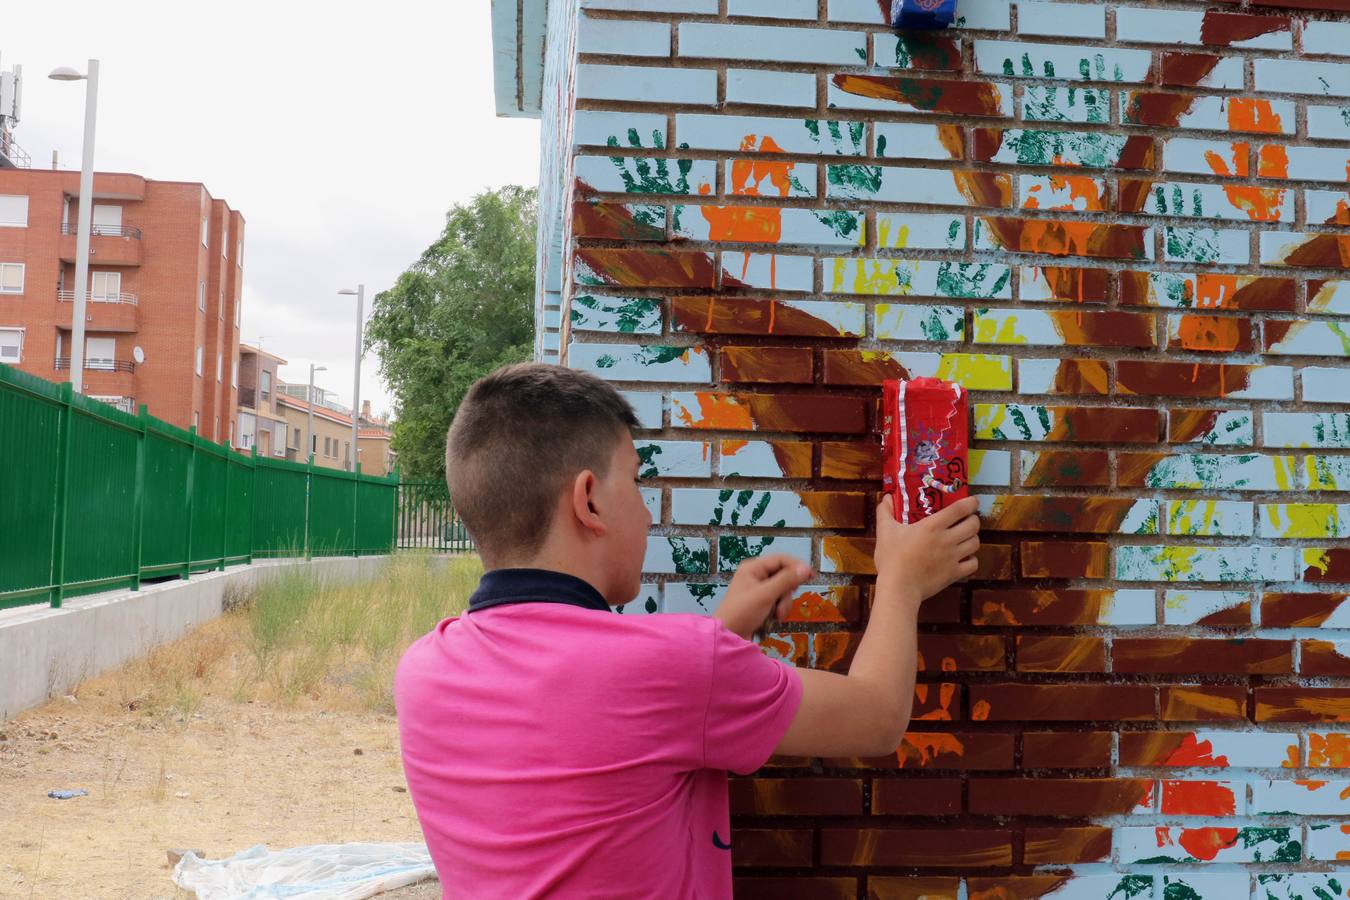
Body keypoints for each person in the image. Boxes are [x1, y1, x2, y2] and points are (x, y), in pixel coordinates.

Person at [395, 363, 980, 899]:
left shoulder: (423, 670)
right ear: (589, 502)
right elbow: (876, 717)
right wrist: (902, 580)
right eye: (637, 483)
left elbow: (602, 724)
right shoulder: (679, 667)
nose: (648, 512)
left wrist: (726, 631)